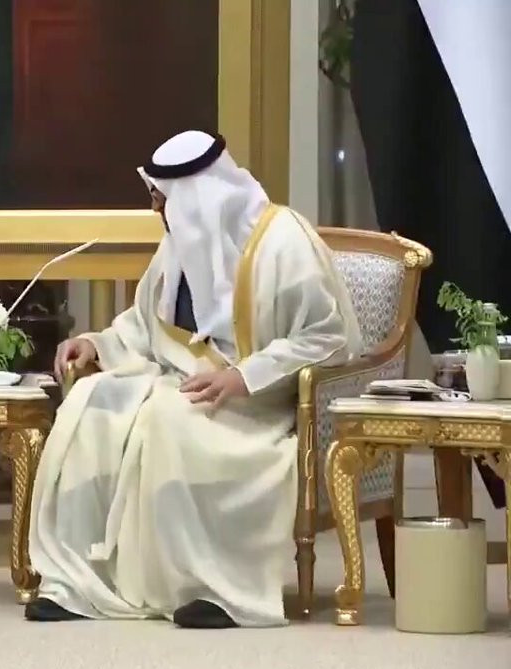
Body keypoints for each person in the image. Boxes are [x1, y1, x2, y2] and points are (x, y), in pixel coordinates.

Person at [25, 130, 363, 628]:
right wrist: (98, 344)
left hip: (256, 402)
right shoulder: (179, 244)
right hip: (181, 381)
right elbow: (149, 326)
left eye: (161, 199)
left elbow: (326, 336)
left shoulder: (283, 241)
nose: (156, 210)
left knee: (167, 418)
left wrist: (243, 377)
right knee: (92, 403)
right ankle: (78, 583)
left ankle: (214, 588)